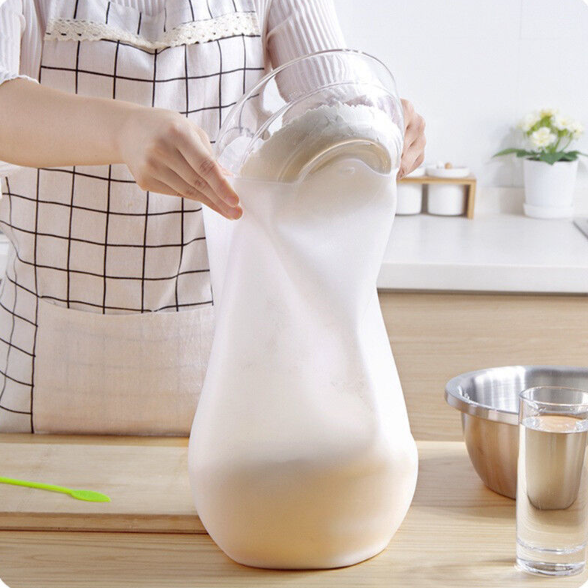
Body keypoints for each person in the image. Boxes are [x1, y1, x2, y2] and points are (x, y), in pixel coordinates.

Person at [0, 0, 426, 434]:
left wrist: (379, 121)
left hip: (229, 349)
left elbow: (332, 101)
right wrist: (122, 130)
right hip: (43, 365)